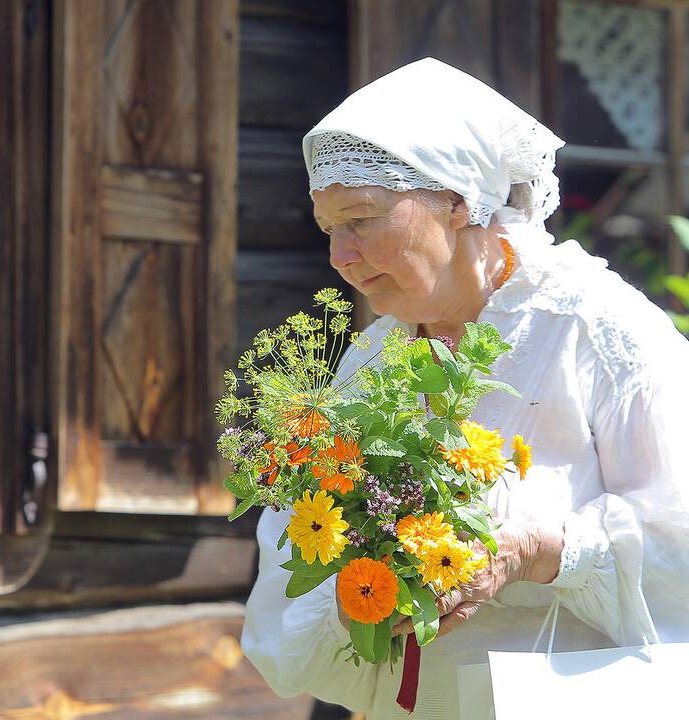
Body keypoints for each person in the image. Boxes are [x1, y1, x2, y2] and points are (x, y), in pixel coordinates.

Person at [240, 57, 689, 719]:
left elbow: (680, 543)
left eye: (361, 218)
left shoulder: (598, 333)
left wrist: (538, 550)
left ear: (456, 201)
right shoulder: (369, 366)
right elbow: (289, 581)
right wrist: (357, 592)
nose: (341, 257)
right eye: (330, 228)